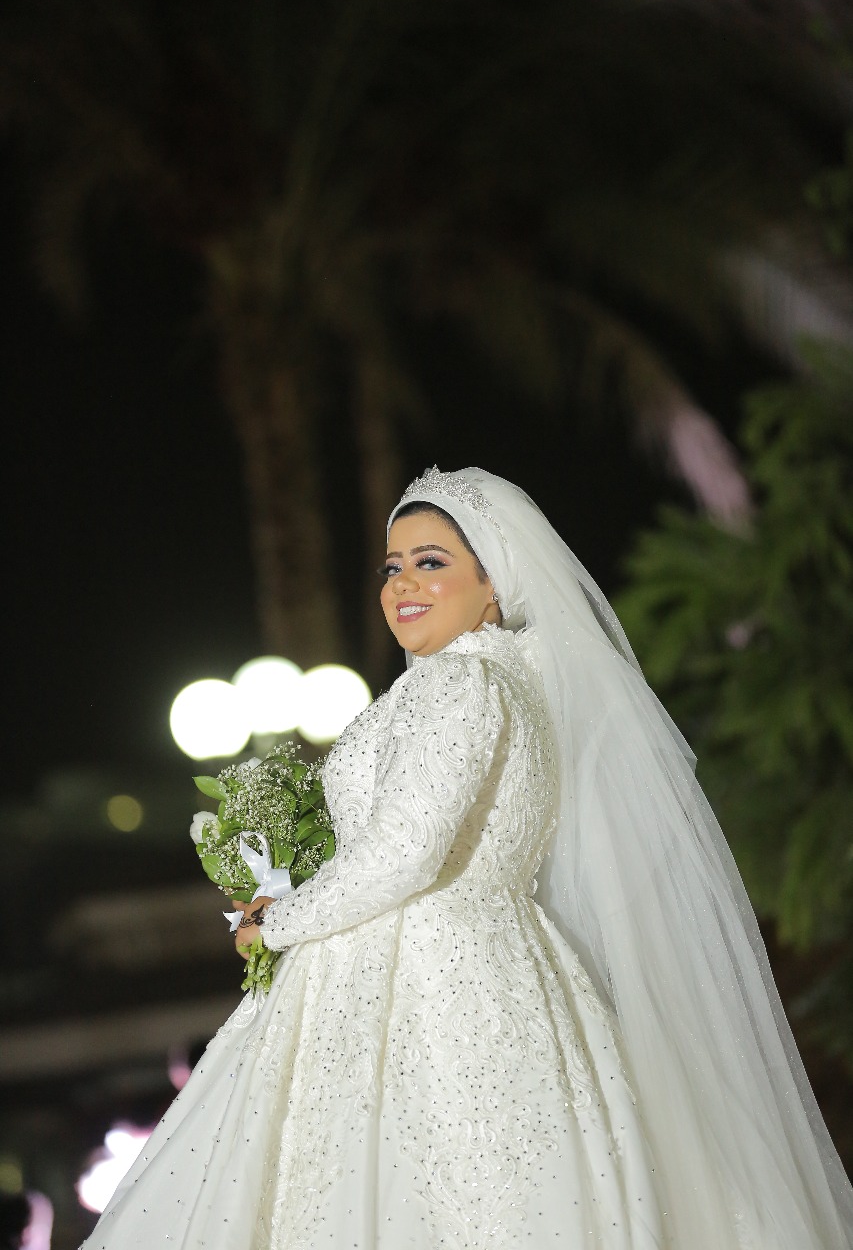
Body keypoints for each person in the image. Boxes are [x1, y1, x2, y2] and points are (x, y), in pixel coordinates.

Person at [83, 467, 853, 1250]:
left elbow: (405, 851)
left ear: (494, 582)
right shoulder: (507, 684)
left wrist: (278, 920)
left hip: (424, 977)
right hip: (489, 964)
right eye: (391, 566)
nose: (401, 584)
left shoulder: (458, 683)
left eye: (431, 562)